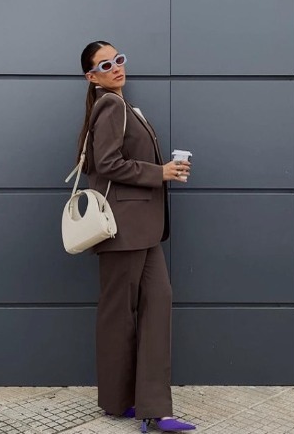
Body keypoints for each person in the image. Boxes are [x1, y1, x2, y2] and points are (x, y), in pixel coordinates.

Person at [76, 40, 195, 433]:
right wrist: (158, 173)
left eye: (119, 59)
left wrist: (165, 172)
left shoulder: (121, 106)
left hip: (143, 230)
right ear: (91, 76)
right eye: (105, 64)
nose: (116, 67)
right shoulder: (110, 105)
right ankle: (124, 403)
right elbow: (106, 163)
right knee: (119, 317)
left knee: (155, 306)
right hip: (123, 230)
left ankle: (150, 408)